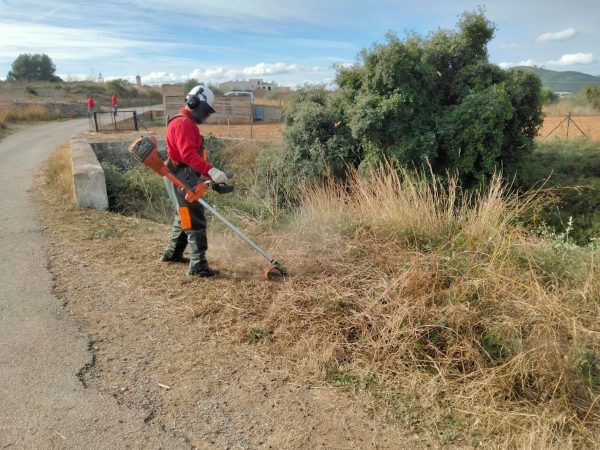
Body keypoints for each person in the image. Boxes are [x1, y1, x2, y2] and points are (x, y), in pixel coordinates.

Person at [161, 85, 229, 277]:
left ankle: (172, 254)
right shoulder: (184, 124)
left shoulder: (183, 122)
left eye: (208, 111)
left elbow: (191, 156)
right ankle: (198, 265)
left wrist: (209, 172)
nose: (206, 115)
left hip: (179, 174)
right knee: (195, 221)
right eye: (205, 110)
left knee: (183, 216)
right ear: (193, 102)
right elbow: (188, 155)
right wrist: (211, 170)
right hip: (182, 177)